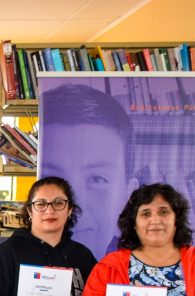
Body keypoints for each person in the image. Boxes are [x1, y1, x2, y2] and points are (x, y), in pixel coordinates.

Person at [40, 83, 135, 259]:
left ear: (126, 197)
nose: (74, 207)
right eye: (51, 179)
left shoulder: (142, 278)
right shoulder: (13, 264)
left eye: (97, 179)